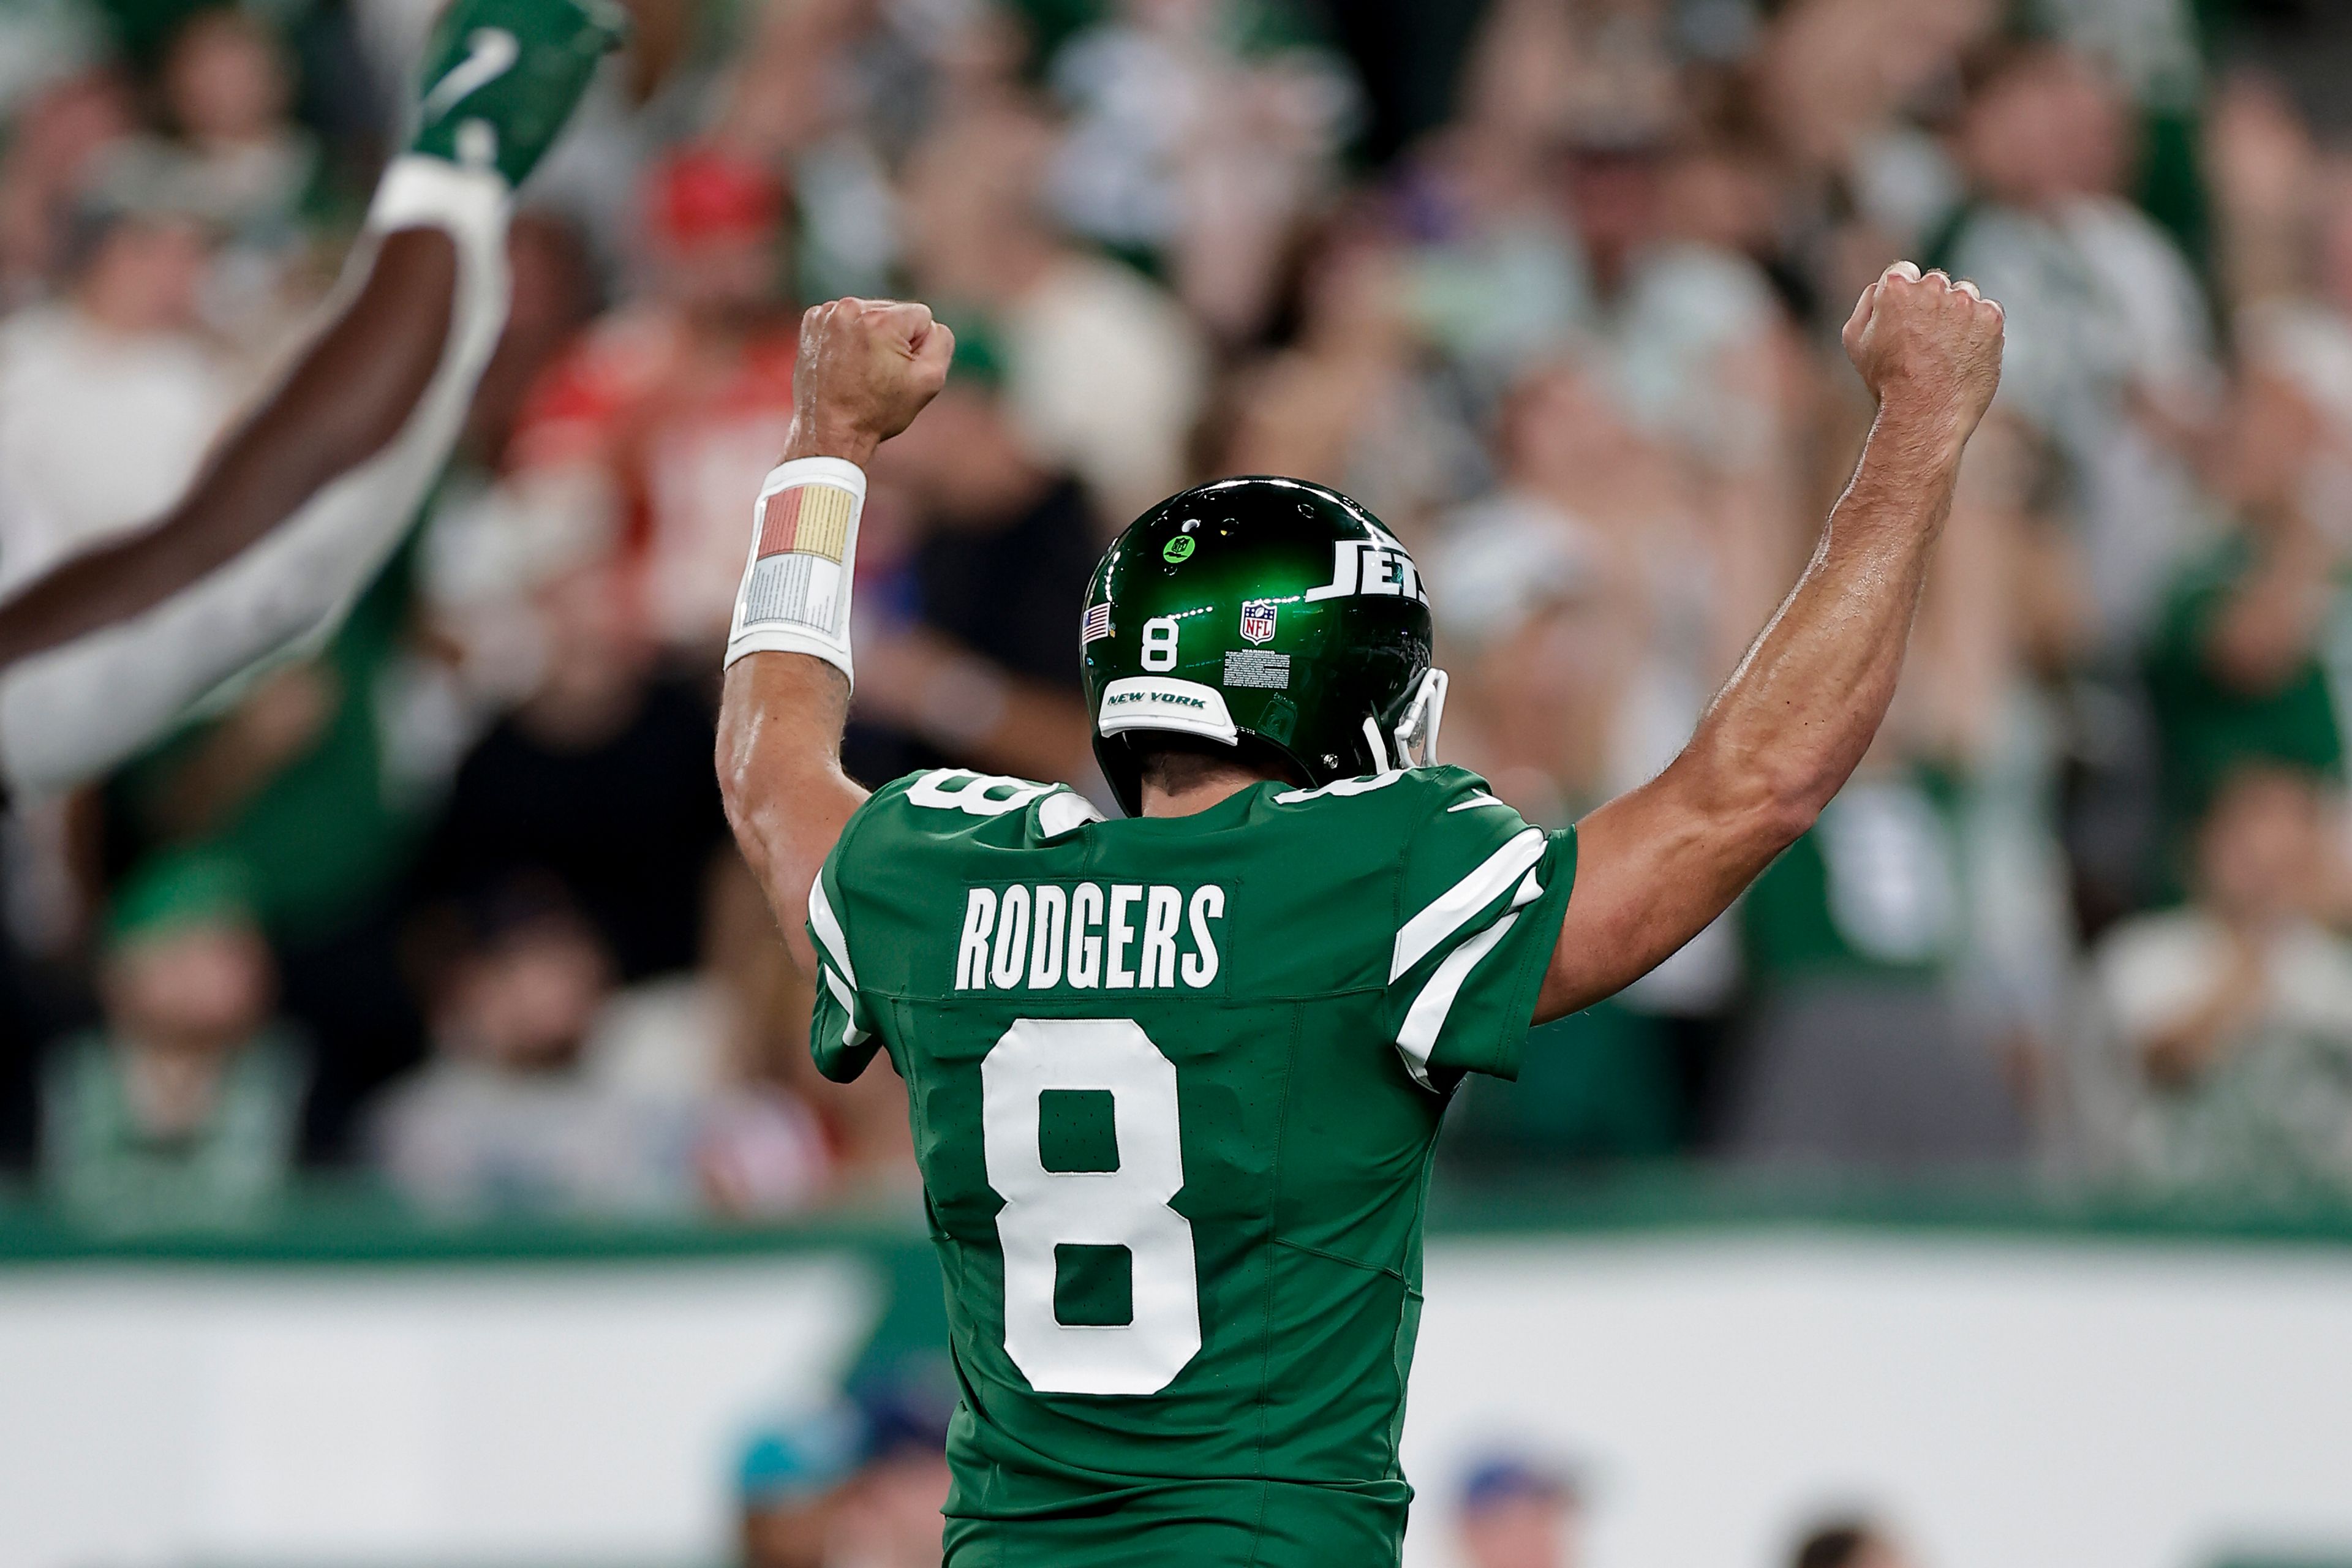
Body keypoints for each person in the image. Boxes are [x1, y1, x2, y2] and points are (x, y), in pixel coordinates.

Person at [714, 262, 2003, 1564]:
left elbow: (769, 774)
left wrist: (826, 442)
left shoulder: (937, 872)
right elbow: (1752, 790)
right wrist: (1917, 430)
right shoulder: (1370, 873)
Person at [0, 0, 625, 801]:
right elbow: (262, 551)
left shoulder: (186, 368)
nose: (189, 264)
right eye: (164, 241)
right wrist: (461, 161)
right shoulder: (33, 368)